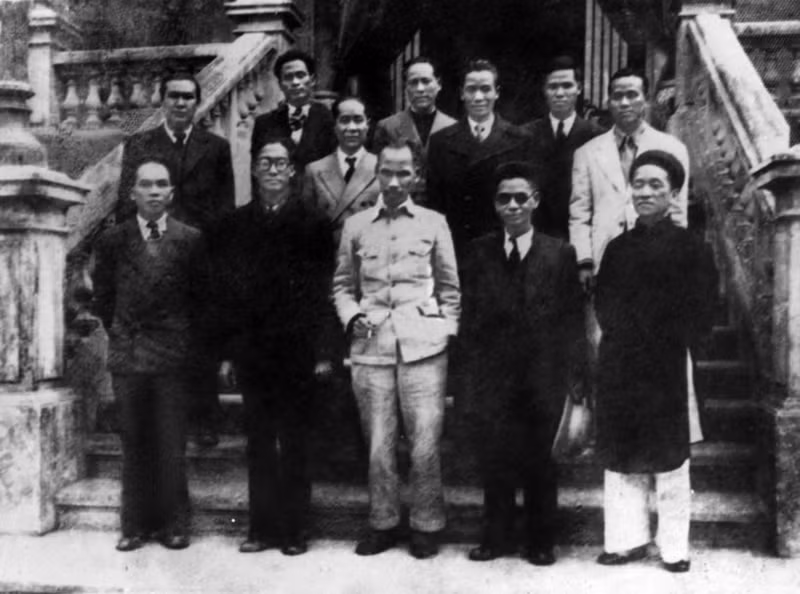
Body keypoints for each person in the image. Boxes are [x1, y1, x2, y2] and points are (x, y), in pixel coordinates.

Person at [205, 137, 335, 556]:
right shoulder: (235, 225)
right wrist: (226, 352)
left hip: (297, 349)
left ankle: (295, 530)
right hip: (253, 350)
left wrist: (322, 352)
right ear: (255, 170)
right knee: (258, 440)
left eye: (281, 163)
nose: (274, 170)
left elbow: (322, 292)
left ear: (293, 171)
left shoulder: (314, 223)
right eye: (266, 162)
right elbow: (225, 294)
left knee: (296, 439)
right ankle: (260, 528)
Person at [332, 142, 460, 559]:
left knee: (424, 441)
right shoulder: (356, 226)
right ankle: (383, 521)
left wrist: (445, 331)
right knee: (379, 443)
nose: (393, 181)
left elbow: (449, 288)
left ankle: (427, 523)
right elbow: (342, 286)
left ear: (416, 176)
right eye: (386, 172)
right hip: (371, 348)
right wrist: (352, 317)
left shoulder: (434, 222)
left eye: (403, 173)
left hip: (423, 348)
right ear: (376, 173)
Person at [593, 150, 717, 573]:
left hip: (668, 364)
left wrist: (674, 342)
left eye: (656, 186)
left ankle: (673, 547)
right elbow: (604, 305)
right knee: (622, 450)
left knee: (670, 457)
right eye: (639, 184)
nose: (644, 193)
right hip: (622, 361)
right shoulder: (617, 248)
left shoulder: (692, 248)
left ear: (674, 193)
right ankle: (626, 540)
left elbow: (703, 310)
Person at [459, 162, 584, 566]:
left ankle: (541, 540)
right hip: (493, 378)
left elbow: (572, 321)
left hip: (542, 378)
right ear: (495, 206)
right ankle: (495, 538)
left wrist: (574, 378)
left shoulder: (560, 253)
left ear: (535, 201)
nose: (512, 206)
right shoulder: (479, 252)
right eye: (503, 199)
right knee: (494, 460)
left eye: (519, 198)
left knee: (540, 463)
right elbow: (470, 319)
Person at [115, 71, 235, 448]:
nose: (181, 103)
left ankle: (204, 419)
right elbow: (124, 204)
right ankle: (156, 421)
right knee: (156, 340)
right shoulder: (140, 144)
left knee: (201, 337)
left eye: (188, 97)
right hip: (152, 255)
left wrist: (212, 254)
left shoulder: (215, 147)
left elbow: (224, 205)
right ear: (163, 101)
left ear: (197, 103)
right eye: (174, 96)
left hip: (199, 257)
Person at [93, 158, 203, 552]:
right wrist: (123, 332)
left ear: (171, 193)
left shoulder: (190, 239)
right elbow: (103, 298)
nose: (154, 191)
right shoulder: (114, 240)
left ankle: (175, 524)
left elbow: (197, 301)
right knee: (135, 442)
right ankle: (135, 525)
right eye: (146, 185)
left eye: (161, 185)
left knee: (171, 442)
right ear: (132, 192)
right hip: (130, 353)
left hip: (171, 354)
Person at [569, 67, 689, 305]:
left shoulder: (672, 148)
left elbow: (678, 211)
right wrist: (584, 261)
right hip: (604, 260)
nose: (624, 103)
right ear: (608, 101)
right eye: (617, 96)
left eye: (632, 95)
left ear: (646, 100)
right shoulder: (588, 153)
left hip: (656, 259)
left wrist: (674, 259)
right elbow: (579, 214)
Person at [427, 58, 531, 260]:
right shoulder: (441, 141)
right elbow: (434, 205)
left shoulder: (520, 140)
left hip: (502, 249)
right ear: (461, 94)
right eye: (471, 89)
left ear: (497, 92)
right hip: (456, 248)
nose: (478, 97)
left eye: (485, 89)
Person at [525, 56, 603, 240]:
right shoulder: (526, 135)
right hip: (537, 234)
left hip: (580, 235)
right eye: (553, 87)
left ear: (579, 88)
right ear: (545, 90)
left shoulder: (596, 136)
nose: (560, 93)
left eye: (567, 86)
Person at [372, 56, 456, 203]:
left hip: (443, 208)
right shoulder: (388, 126)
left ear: (439, 84)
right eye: (413, 82)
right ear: (406, 87)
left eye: (426, 81)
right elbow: (378, 177)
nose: (420, 89)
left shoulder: (453, 127)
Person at [302, 96, 380, 240]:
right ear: (335, 126)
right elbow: (307, 227)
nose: (351, 128)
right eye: (344, 120)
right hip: (327, 255)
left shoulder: (382, 168)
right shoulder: (314, 171)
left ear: (367, 125)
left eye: (358, 120)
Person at [250, 49, 337, 172]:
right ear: (280, 85)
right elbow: (257, 172)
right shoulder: (263, 124)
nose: (295, 82)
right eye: (288, 77)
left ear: (312, 80)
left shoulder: (329, 119)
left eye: (300, 75)